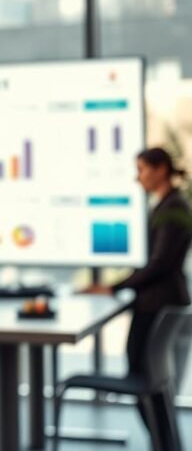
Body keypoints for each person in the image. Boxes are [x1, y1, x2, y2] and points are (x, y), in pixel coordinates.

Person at [85, 147, 192, 450]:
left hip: (157, 305)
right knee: (154, 385)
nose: (138, 177)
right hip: (159, 302)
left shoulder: (174, 208)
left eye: (142, 169)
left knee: (146, 383)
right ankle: (165, 444)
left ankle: (165, 445)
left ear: (160, 169)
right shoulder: (168, 205)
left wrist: (115, 287)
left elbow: (160, 264)